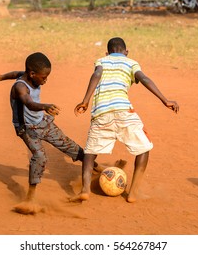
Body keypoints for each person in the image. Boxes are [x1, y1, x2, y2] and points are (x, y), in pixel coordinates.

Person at [0, 52, 104, 215]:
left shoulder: (26, 75)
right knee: (39, 157)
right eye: (44, 77)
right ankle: (30, 198)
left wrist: (0, 77)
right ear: (32, 74)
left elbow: (15, 73)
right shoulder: (20, 87)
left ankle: (96, 168)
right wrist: (45, 106)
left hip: (43, 122)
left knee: (70, 146)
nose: (46, 80)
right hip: (26, 129)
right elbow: (29, 103)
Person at [70, 37, 179, 203]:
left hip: (101, 113)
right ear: (126, 52)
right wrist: (165, 100)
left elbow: (97, 74)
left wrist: (85, 100)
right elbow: (144, 79)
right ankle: (133, 192)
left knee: (90, 153)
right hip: (124, 111)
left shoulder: (102, 60)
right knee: (143, 149)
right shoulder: (131, 62)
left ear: (107, 53)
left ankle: (85, 190)